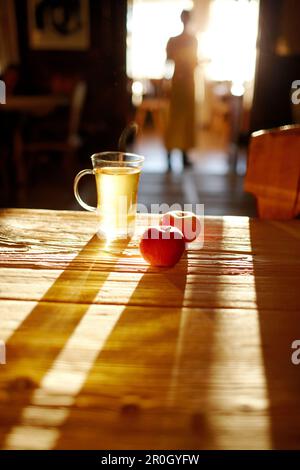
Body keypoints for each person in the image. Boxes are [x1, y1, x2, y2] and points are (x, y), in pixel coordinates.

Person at [164, 10, 198, 171]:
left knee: (184, 119)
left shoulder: (191, 40)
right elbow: (169, 61)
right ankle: (171, 154)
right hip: (179, 83)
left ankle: (182, 155)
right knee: (176, 118)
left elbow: (193, 62)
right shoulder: (180, 40)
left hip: (185, 83)